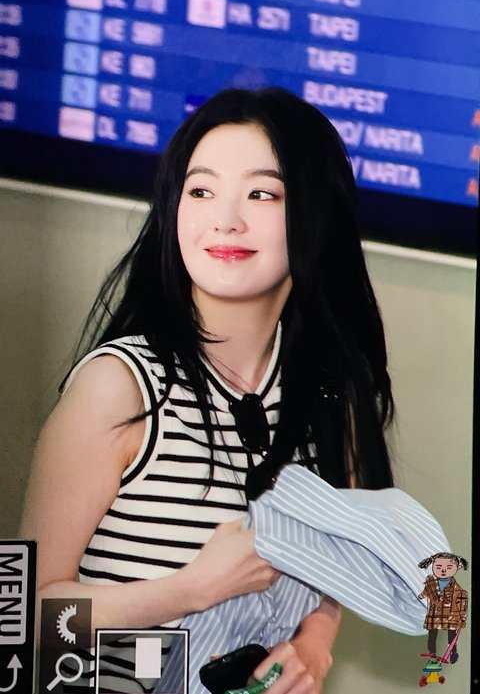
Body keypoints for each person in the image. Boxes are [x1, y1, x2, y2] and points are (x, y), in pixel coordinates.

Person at [20, 87, 394, 694]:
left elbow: (336, 565)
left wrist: (314, 643)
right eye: (201, 191)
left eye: (262, 193)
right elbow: (23, 619)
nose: (226, 219)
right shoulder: (120, 385)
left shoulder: (331, 399)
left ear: (315, 215)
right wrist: (189, 590)